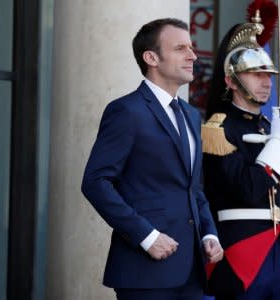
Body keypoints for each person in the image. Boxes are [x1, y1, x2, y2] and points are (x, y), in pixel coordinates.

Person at [81, 18, 223, 300]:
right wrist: (146, 237)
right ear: (151, 58)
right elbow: (95, 182)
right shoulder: (126, 111)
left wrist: (209, 234)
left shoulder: (192, 115)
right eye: (181, 48)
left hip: (192, 269)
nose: (193, 56)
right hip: (144, 269)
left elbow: (193, 188)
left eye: (192, 48)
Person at [201, 15, 280, 300]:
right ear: (231, 80)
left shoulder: (270, 128)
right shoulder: (218, 129)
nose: (266, 83)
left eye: (268, 75)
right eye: (256, 74)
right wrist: (276, 145)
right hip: (241, 250)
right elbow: (248, 189)